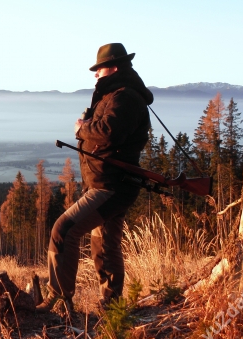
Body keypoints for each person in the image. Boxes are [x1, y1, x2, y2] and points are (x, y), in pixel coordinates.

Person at [36, 43, 154, 313]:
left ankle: (59, 299)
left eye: (98, 69)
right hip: (114, 183)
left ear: (112, 67)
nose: (95, 74)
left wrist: (82, 128)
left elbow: (107, 132)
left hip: (111, 185)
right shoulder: (117, 95)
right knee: (104, 243)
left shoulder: (123, 97)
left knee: (63, 231)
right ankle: (111, 305)